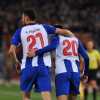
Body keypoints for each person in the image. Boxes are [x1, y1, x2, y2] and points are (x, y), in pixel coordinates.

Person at [9, 9, 73, 100]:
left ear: (27, 18)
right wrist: (73, 39)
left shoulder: (20, 31)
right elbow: (66, 32)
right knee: (46, 95)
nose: (22, 19)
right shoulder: (44, 27)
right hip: (43, 67)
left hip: (27, 67)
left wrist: (16, 62)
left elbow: (11, 51)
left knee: (26, 96)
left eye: (22, 17)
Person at [53, 25, 89, 100]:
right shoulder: (76, 40)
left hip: (62, 72)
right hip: (75, 74)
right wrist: (85, 74)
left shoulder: (57, 38)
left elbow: (50, 47)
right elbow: (86, 57)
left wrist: (37, 52)